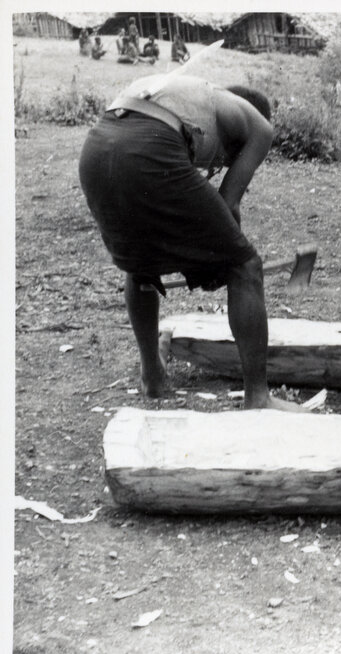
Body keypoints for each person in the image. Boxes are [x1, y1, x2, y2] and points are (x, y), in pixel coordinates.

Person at [78, 75, 303, 412]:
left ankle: (152, 377)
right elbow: (228, 205)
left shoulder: (193, 97)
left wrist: (209, 258)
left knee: (141, 265)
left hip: (96, 148)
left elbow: (181, 208)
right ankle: (258, 397)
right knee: (246, 265)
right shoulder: (260, 129)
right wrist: (223, 263)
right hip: (150, 146)